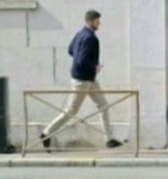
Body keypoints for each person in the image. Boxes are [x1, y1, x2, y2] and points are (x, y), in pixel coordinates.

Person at [40, 10, 123, 149]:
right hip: (83, 80)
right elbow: (82, 61)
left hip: (88, 80)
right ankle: (46, 133)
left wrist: (84, 63)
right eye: (97, 21)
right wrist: (94, 67)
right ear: (90, 22)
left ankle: (109, 140)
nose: (99, 24)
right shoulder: (91, 38)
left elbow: (71, 50)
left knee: (103, 106)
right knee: (71, 111)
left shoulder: (79, 34)